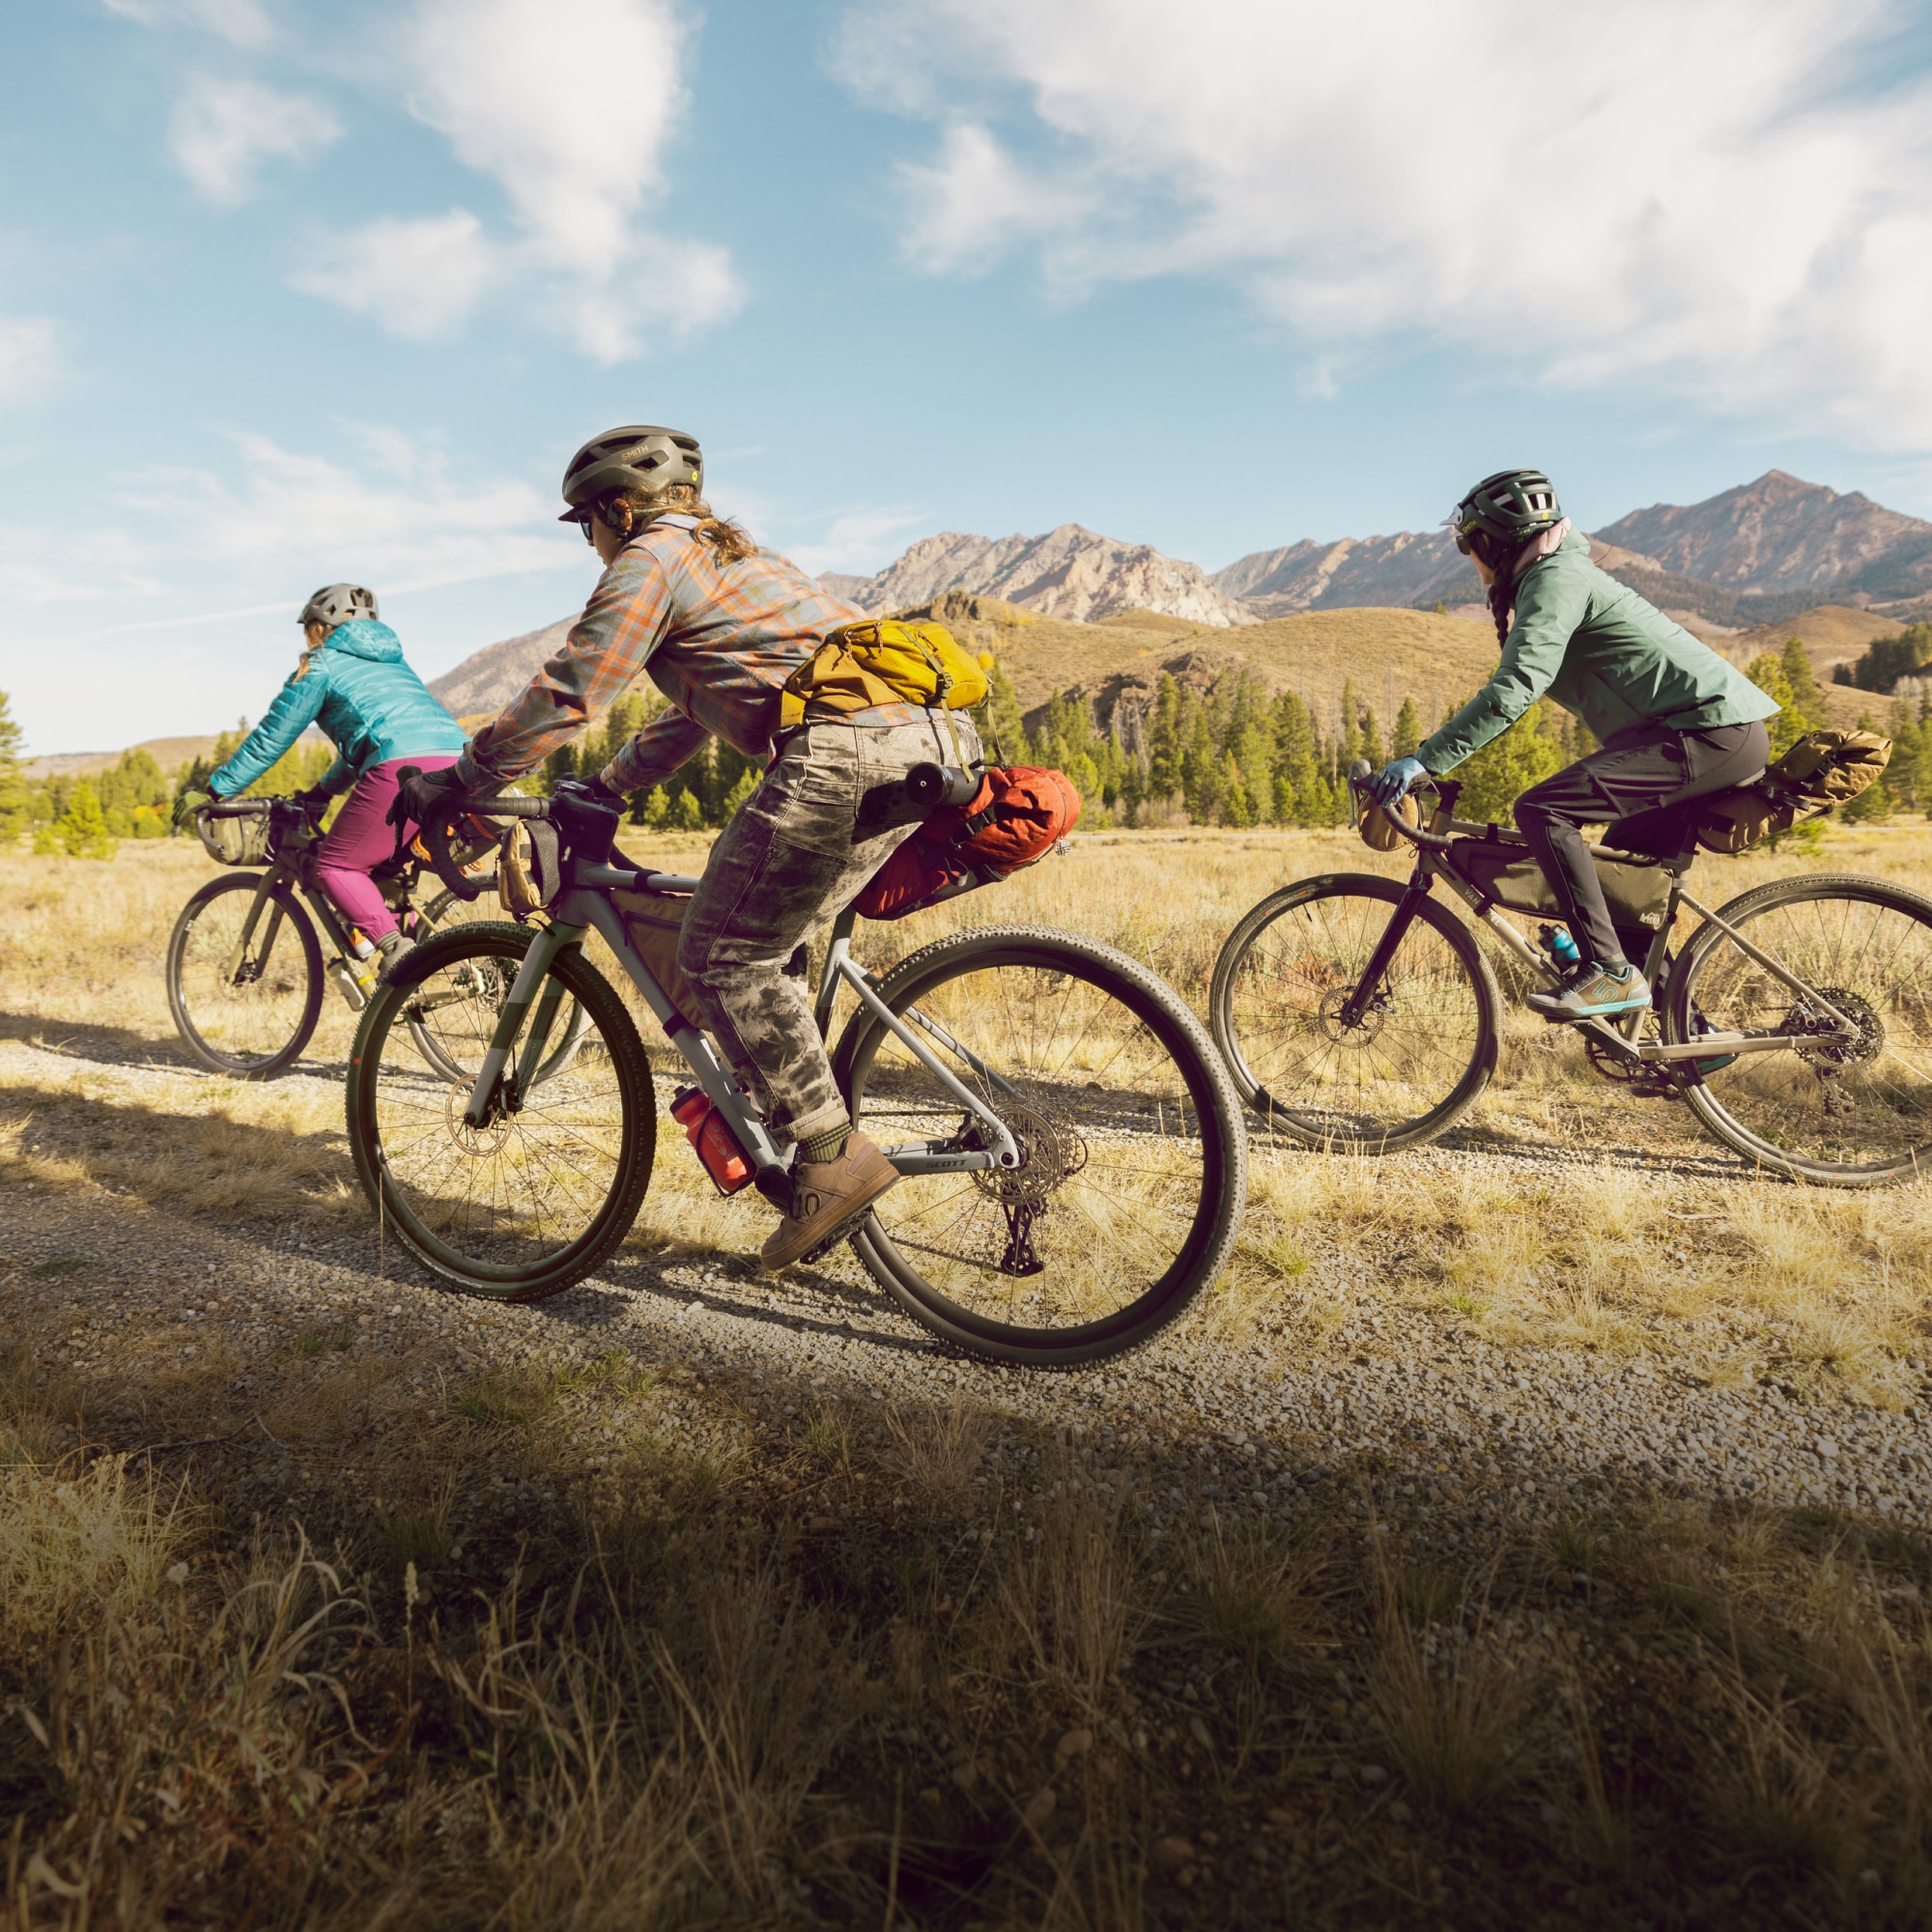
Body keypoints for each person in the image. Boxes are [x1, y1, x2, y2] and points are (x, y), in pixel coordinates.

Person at [394, 424, 980, 1270]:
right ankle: (800, 1132)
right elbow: (691, 710)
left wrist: (464, 780)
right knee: (767, 942)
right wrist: (614, 786)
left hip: (850, 748)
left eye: (586, 528)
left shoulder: (651, 559)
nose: (590, 547)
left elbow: (572, 691)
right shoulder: (739, 559)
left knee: (723, 953)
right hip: (930, 740)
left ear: (617, 512)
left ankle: (830, 1155)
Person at [1369, 469, 1779, 1022]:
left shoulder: (1555, 578)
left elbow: (1517, 687)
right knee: (1623, 890)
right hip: (1701, 734)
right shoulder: (1550, 575)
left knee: (1542, 808)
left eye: (1470, 547)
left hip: (1709, 732)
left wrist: (1426, 758)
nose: (1472, 563)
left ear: (1494, 540)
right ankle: (1690, 1041)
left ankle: (1610, 974)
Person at [175, 585, 467, 978]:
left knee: (334, 868)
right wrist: (322, 792)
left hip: (401, 768)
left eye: (307, 628)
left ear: (320, 627)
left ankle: (400, 955)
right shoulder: (395, 665)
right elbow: (367, 744)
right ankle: (415, 968)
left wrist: (215, 791)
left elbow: (272, 738)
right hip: (457, 763)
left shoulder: (323, 664)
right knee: (384, 873)